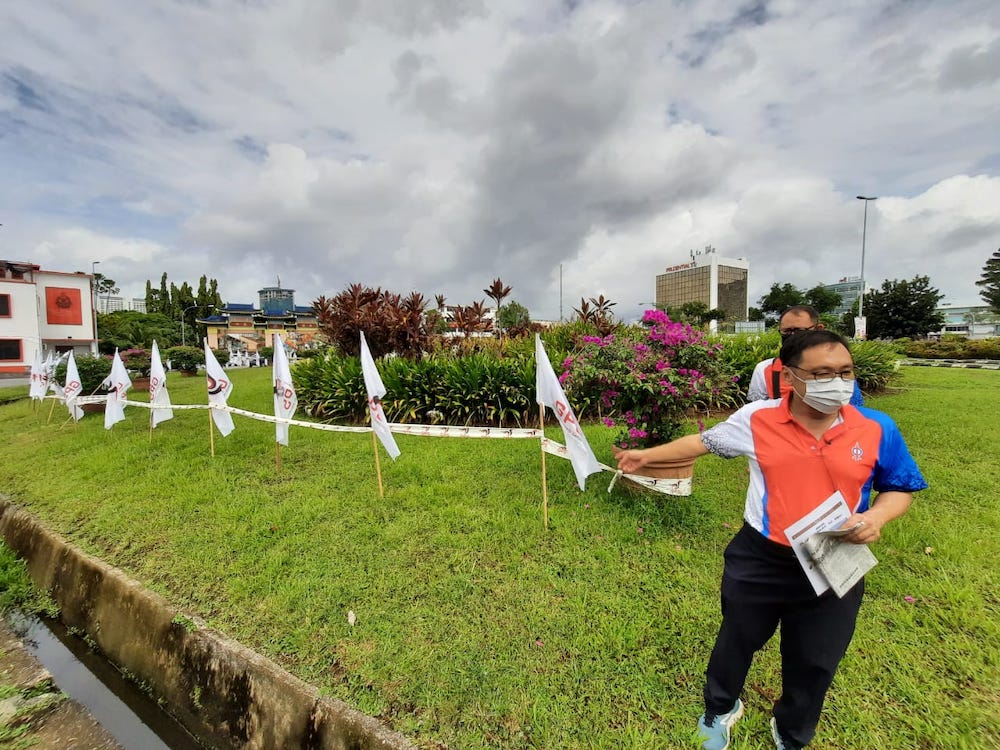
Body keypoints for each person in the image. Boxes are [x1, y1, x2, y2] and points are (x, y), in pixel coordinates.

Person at [614, 330, 927, 749]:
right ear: (792, 376)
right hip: (761, 558)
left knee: (816, 659)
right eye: (821, 373)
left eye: (845, 372)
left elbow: (898, 487)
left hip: (835, 559)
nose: (837, 382)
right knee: (737, 639)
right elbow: (703, 442)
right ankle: (721, 707)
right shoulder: (757, 419)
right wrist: (645, 456)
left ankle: (792, 731)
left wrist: (878, 516)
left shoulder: (876, 427)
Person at [748, 305, 864, 407]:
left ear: (819, 329)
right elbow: (756, 411)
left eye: (799, 330)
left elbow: (854, 408)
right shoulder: (765, 369)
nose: (792, 336)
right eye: (786, 331)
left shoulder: (838, 367)